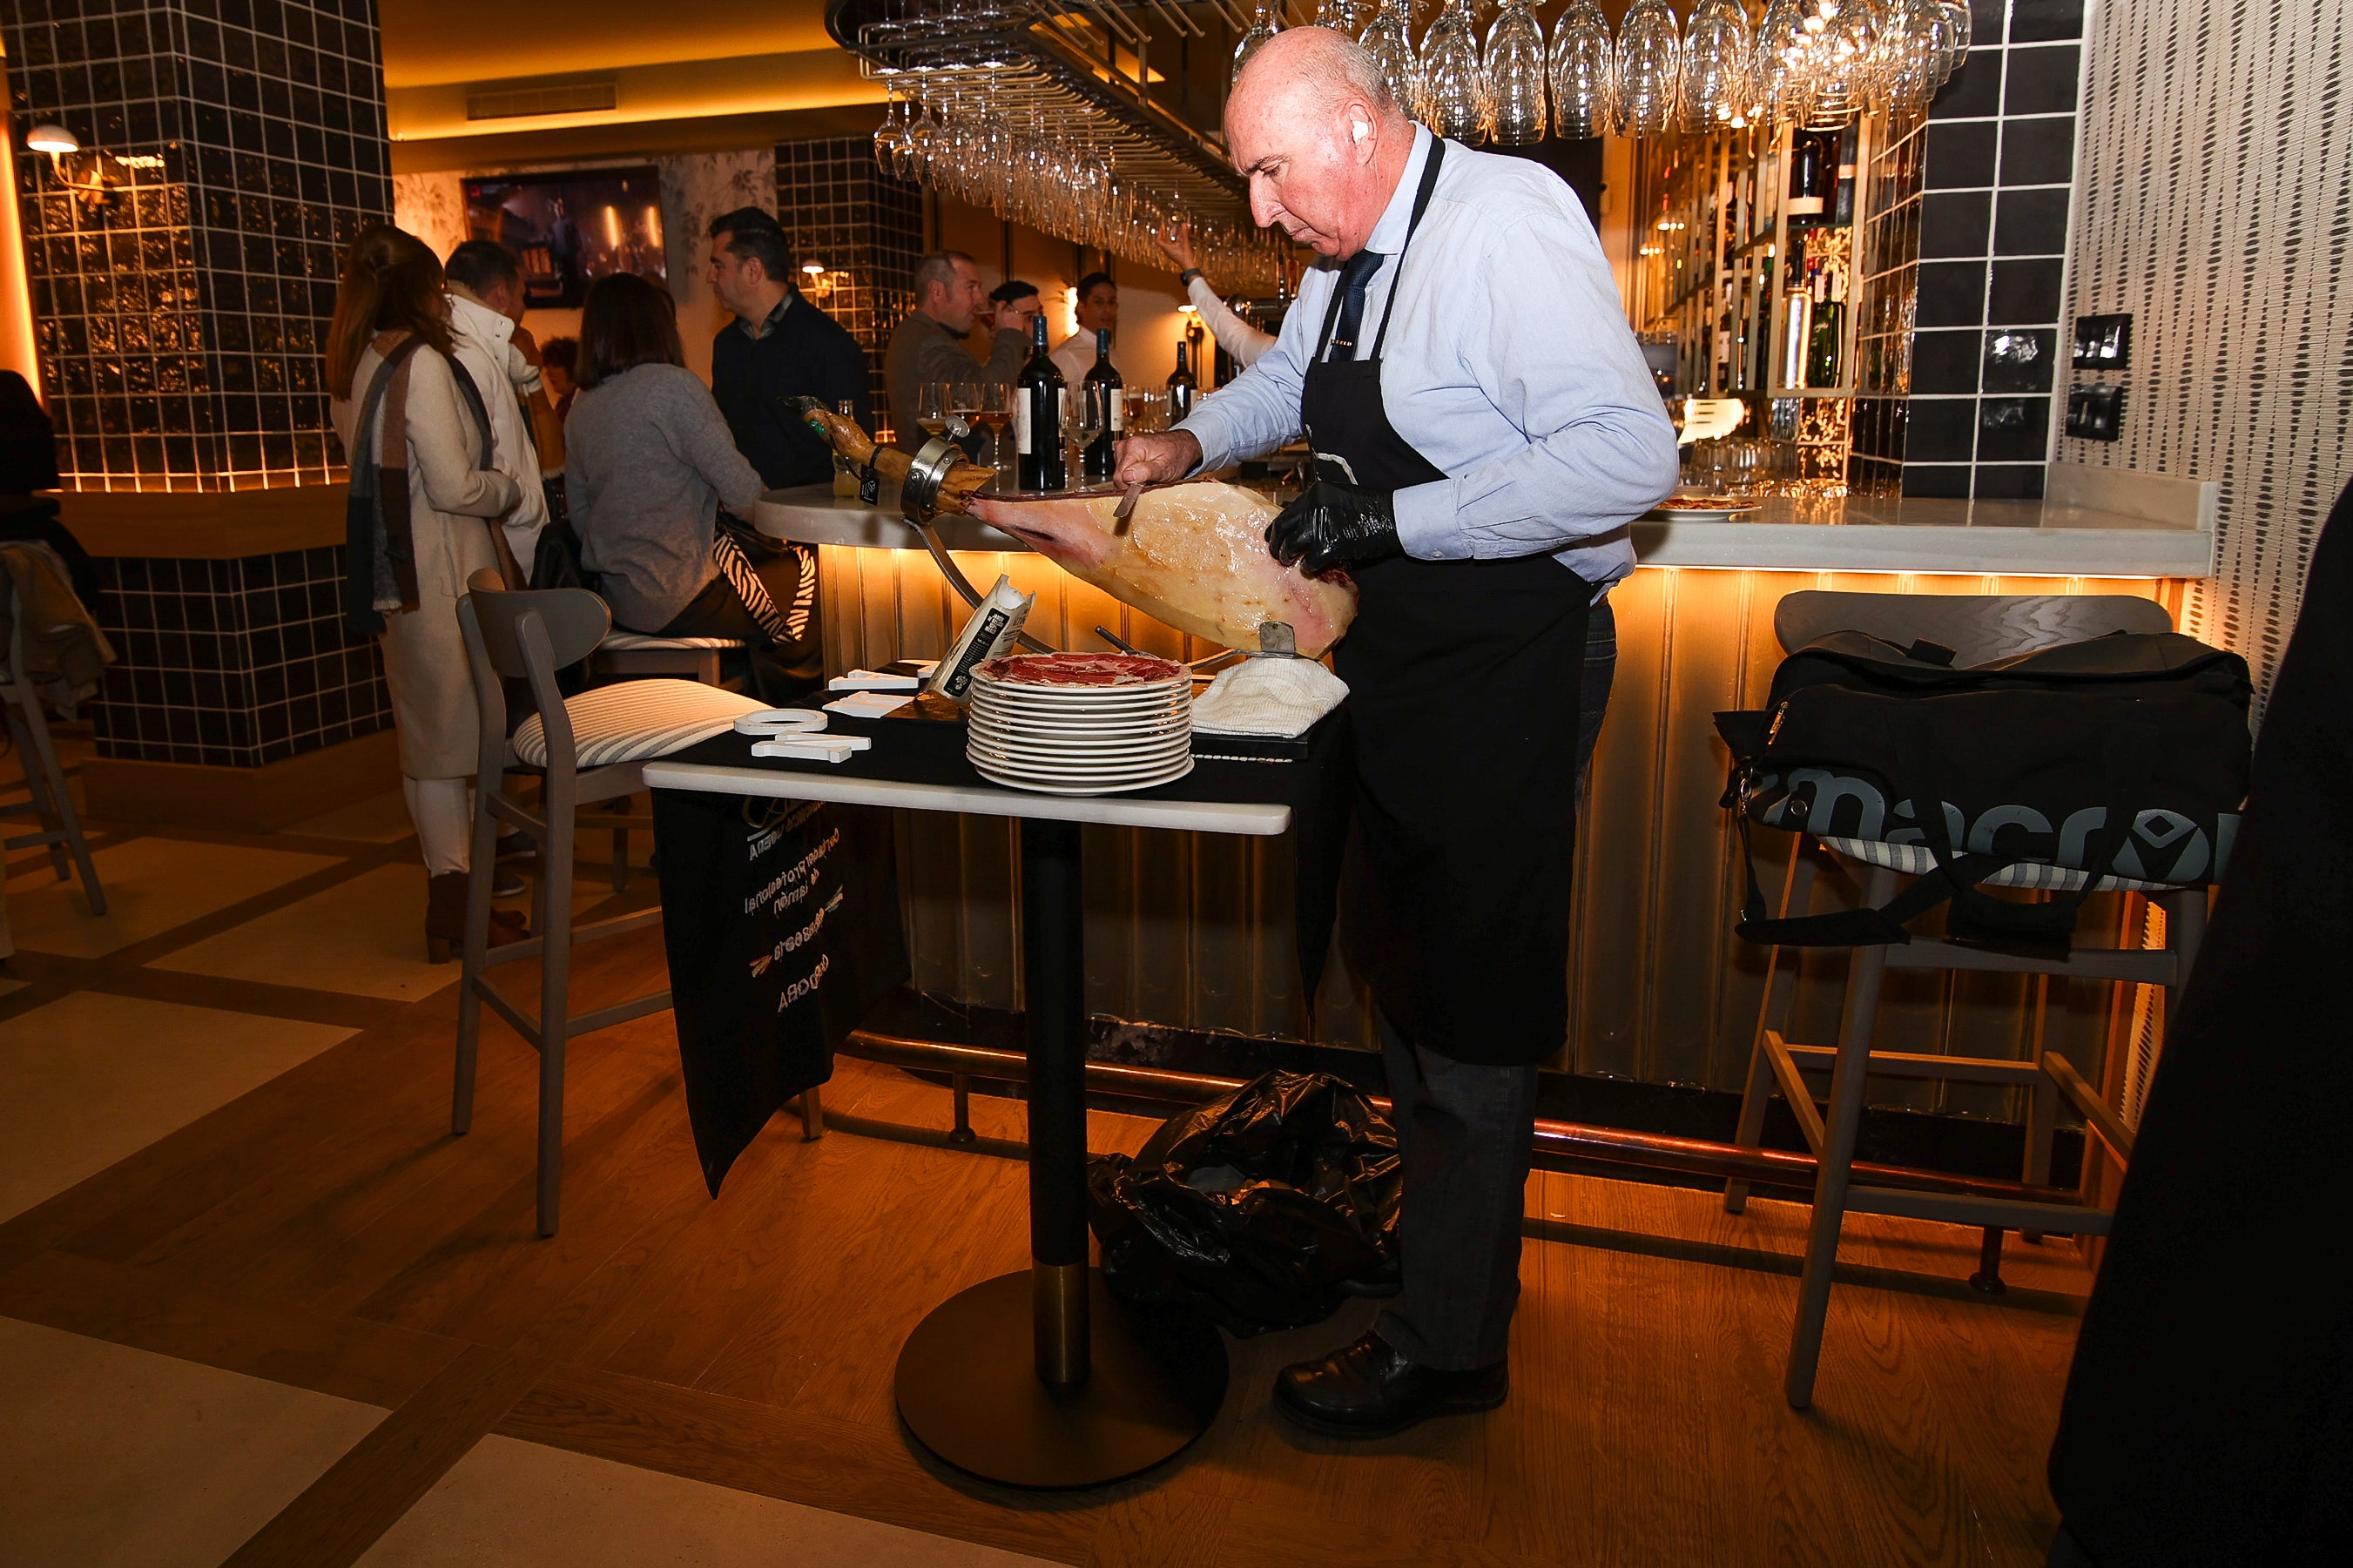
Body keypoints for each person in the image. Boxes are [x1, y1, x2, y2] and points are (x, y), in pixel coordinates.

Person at [1115, 28, 1678, 1440]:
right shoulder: (1345, 260)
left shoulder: (1502, 226)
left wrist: (1387, 520)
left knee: (1471, 1005)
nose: (1257, 208)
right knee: (1410, 982)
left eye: (1266, 170)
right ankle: (1448, 1274)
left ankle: (1451, 1351)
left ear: (1355, 129)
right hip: (1401, 664)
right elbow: (1294, 389)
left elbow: (1629, 457)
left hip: (1505, 662)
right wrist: (1192, 442)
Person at [327, 224, 529, 963]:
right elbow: (452, 483)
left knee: (426, 743)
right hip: (442, 574)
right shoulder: (422, 364)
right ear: (421, 290)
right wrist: (504, 487)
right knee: (450, 745)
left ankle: (457, 902)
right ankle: (458, 908)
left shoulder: (352, 364)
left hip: (393, 574)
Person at [563, 273, 819, 703]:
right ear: (658, 324)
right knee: (817, 585)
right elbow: (743, 493)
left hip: (619, 599)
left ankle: (744, 703)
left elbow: (580, 517)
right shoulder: (672, 387)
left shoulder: (582, 405)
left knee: (775, 594)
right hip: (683, 594)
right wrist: (788, 526)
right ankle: (790, 717)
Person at [705, 207, 870, 488]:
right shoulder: (727, 345)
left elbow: (862, 453)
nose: (710, 276)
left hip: (812, 523)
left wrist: (864, 523)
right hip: (745, 520)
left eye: (718, 265)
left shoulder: (827, 343)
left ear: (753, 269)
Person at [442, 239, 558, 569]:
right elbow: (483, 454)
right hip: (508, 541)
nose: (523, 308)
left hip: (508, 533)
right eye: (522, 295)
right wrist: (528, 504)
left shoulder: (474, 345)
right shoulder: (470, 353)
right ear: (502, 295)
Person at [883, 251, 1031, 452]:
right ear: (936, 291)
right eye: (971, 288)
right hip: (939, 476)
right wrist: (1011, 335)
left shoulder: (922, 333)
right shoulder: (928, 341)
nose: (980, 299)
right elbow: (987, 395)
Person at [1151, 220, 1278, 369]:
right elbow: (1236, 336)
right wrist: (1189, 269)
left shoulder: (1292, 358)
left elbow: (1236, 338)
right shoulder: (1288, 354)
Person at [1049, 270, 1120, 386]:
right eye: (1099, 302)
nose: (1107, 310)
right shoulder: (1067, 355)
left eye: (1112, 303)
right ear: (1081, 307)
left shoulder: (1113, 353)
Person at [540, 336, 578, 424]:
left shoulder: (580, 402)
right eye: (547, 367)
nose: (548, 373)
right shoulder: (562, 405)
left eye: (555, 365)